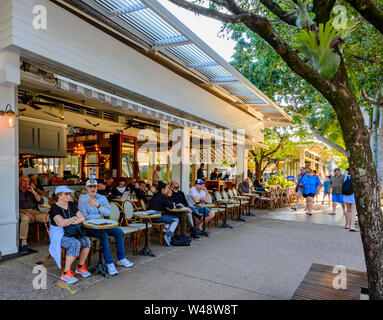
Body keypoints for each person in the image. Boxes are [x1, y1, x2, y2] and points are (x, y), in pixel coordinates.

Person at [78, 179, 134, 276]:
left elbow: (108, 213)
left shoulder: (102, 197)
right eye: (90, 187)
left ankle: (121, 259)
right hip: (90, 227)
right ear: (86, 188)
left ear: (97, 187)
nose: (93, 189)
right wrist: (99, 215)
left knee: (118, 231)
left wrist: (97, 205)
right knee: (103, 235)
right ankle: (109, 263)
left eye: (94, 186)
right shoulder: (82, 199)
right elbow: (84, 217)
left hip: (103, 224)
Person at [49, 186, 91, 284]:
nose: (69, 196)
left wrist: (69, 221)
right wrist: (73, 219)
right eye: (66, 194)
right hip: (59, 235)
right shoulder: (55, 208)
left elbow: (82, 218)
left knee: (86, 241)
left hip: (73, 232)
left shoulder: (71, 205)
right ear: (59, 195)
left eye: (69, 194)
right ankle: (66, 273)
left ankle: (80, 267)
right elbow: (61, 223)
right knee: (75, 243)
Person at [19, 175, 45, 254]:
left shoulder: (31, 191)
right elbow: (13, 206)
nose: (26, 183)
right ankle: (23, 243)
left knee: (48, 216)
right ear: (19, 182)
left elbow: (41, 201)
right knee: (25, 218)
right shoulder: (16, 191)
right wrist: (27, 213)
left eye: (28, 181)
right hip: (21, 211)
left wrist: (33, 192)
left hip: (34, 211)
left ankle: (54, 238)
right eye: (24, 181)